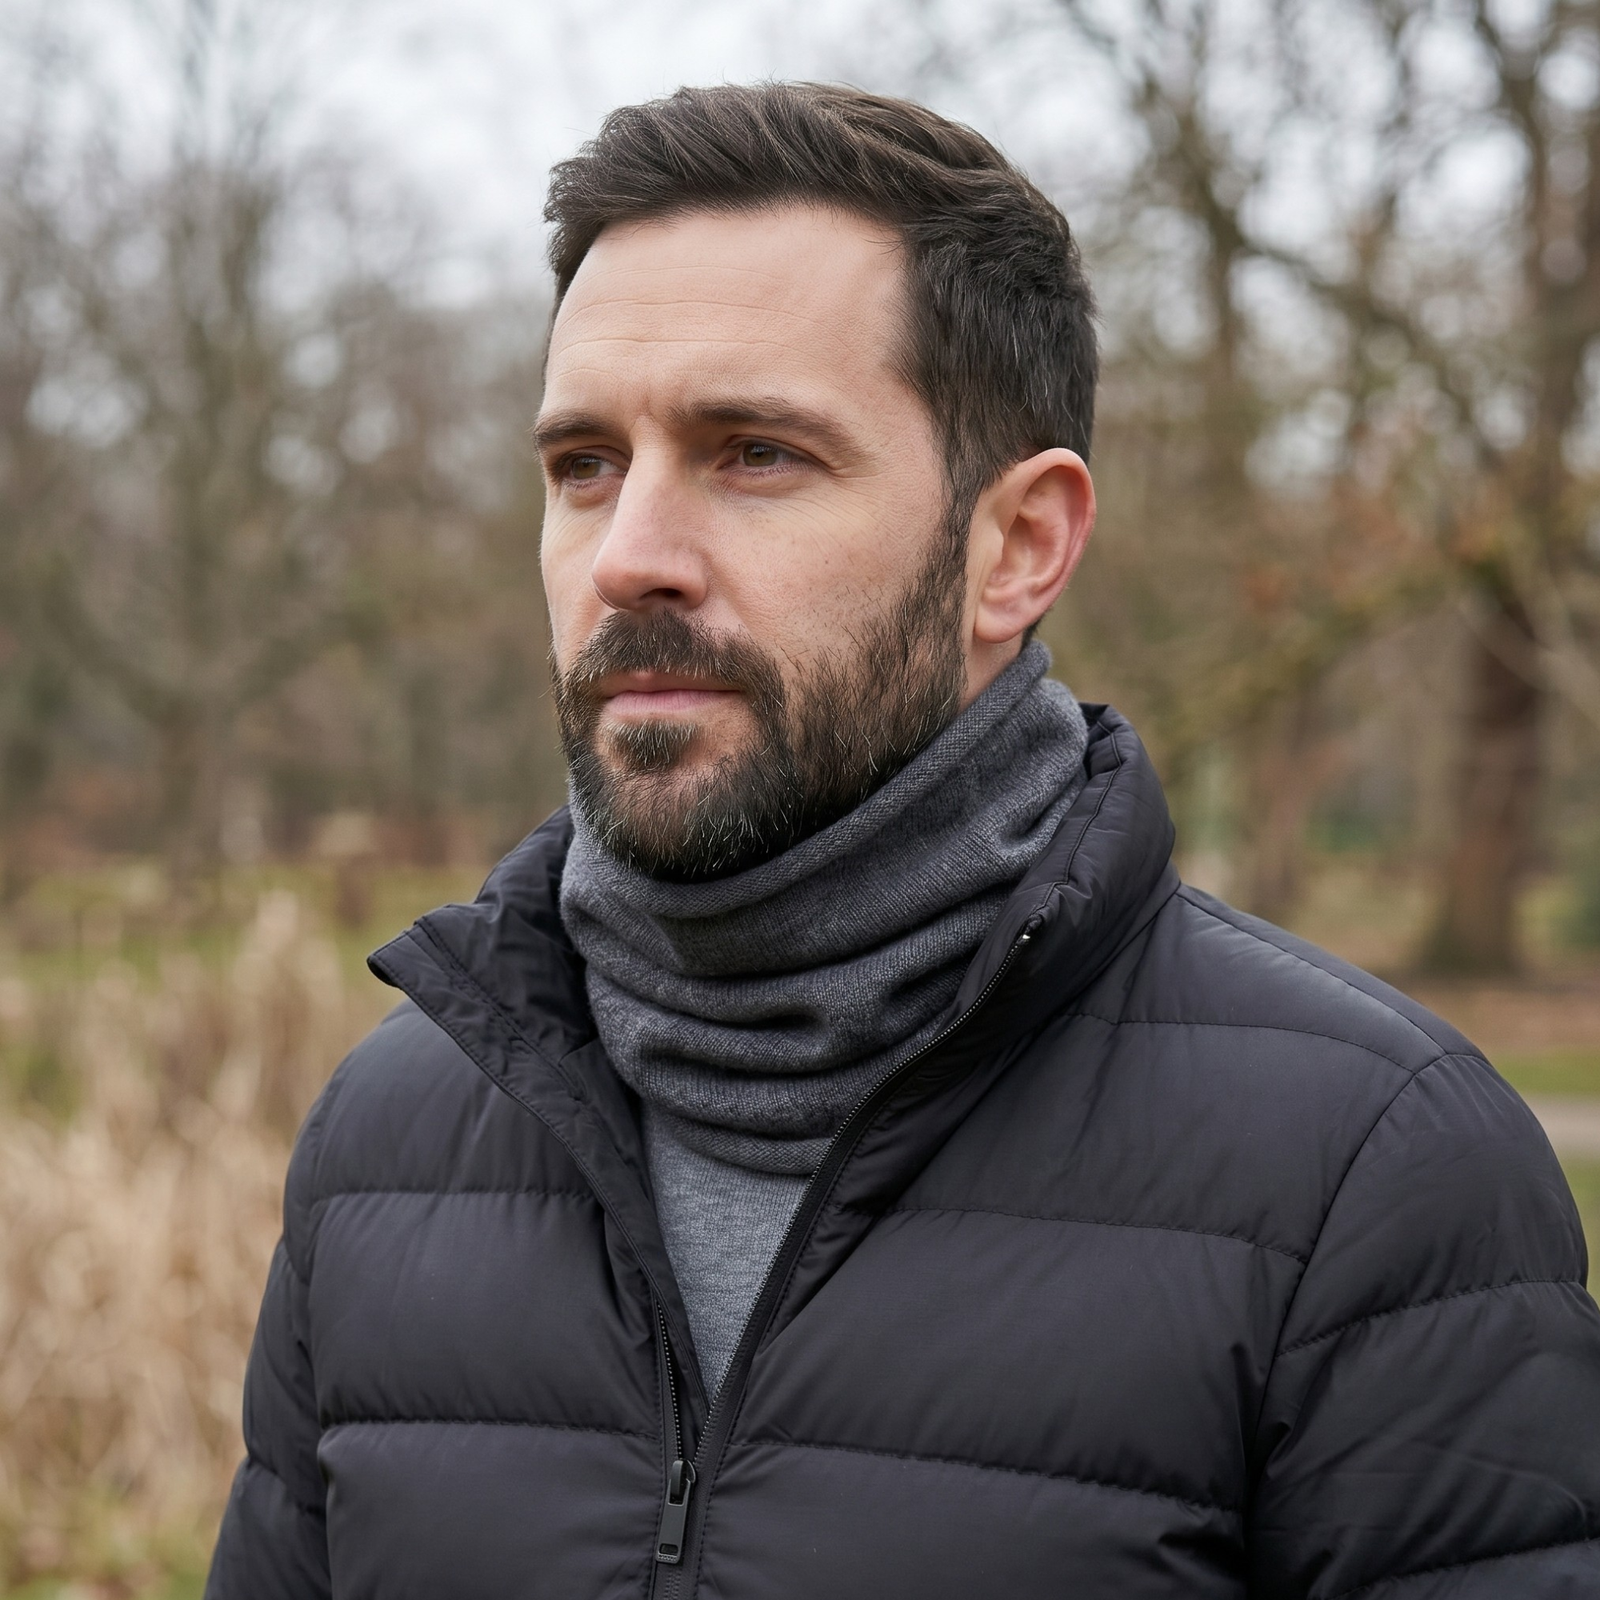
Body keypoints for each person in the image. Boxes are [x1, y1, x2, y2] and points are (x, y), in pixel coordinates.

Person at [206, 83, 1600, 1599]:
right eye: (583, 465)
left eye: (754, 454)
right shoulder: (388, 1141)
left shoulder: (1371, 1176)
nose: (629, 558)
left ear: (1018, 547)